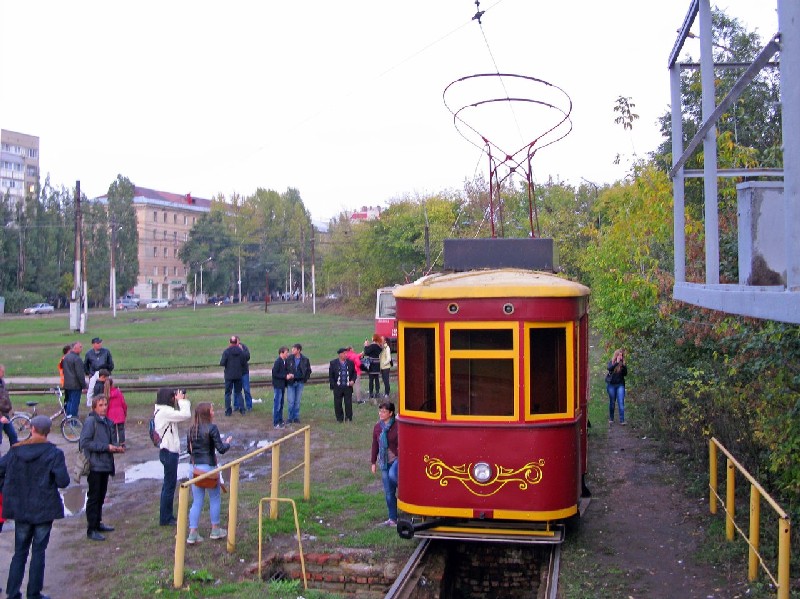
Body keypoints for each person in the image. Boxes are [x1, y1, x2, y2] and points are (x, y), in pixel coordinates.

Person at [0, 415, 69, 599]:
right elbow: (63, 481)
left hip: (21, 507)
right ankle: (33, 593)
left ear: (32, 429)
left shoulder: (16, 451)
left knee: (20, 552)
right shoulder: (53, 453)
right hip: (43, 508)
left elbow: (0, 469)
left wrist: (7, 489)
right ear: (48, 431)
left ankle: (12, 593)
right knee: (38, 552)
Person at [186, 402, 231, 544]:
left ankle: (193, 533)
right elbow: (221, 449)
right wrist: (227, 443)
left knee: (197, 501)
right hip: (209, 468)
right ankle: (215, 530)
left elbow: (189, 450)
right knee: (215, 498)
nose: (214, 412)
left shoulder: (191, 430)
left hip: (194, 468)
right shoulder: (212, 428)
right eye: (212, 410)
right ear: (207, 413)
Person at [80, 396, 124, 541]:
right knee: (94, 497)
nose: (104, 407)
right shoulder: (90, 421)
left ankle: (98, 523)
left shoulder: (108, 422)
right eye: (100, 405)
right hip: (94, 465)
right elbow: (85, 443)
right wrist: (106, 447)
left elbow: (111, 441)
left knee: (101, 496)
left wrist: (117, 447)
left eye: (105, 404)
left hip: (105, 464)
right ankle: (91, 529)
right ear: (94, 407)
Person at [154, 388, 191, 526]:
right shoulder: (165, 412)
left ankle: (166, 516)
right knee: (169, 486)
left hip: (167, 451)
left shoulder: (162, 410)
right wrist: (181, 401)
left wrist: (179, 400)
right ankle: (166, 518)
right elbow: (186, 414)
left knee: (168, 485)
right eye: (173, 397)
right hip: (169, 452)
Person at [370, 401, 399, 526]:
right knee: (388, 492)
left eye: (384, 411)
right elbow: (375, 445)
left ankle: (405, 492)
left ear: (391, 413)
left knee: (393, 475)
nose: (381, 414)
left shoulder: (397, 425)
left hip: (397, 459)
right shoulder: (377, 427)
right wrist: (373, 462)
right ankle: (392, 519)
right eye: (380, 411)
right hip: (384, 462)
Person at [220, 335, 248, 416]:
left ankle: (228, 411)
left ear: (230, 342)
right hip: (238, 375)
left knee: (228, 393)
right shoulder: (241, 351)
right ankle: (242, 410)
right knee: (239, 392)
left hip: (229, 375)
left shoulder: (226, 351)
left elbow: (222, 363)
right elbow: (244, 362)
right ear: (236, 342)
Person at [286, 343, 311, 424]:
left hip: (300, 383)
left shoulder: (305, 360)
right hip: (291, 383)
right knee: (291, 401)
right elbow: (285, 369)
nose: (292, 350)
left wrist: (304, 379)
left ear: (299, 350)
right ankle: (290, 417)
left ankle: (296, 417)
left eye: (294, 349)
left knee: (297, 401)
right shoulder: (289, 359)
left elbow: (308, 371)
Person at [329, 347, 356, 423]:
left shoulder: (350, 363)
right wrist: (334, 385)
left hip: (347, 387)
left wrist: (353, 380)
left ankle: (349, 418)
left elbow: (354, 373)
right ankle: (339, 418)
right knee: (338, 403)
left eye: (346, 353)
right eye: (344, 353)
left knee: (348, 403)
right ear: (340, 354)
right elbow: (331, 376)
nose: (346, 355)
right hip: (338, 387)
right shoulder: (333, 363)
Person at [271, 347, 295, 429]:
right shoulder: (278, 362)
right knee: (277, 404)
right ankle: (276, 422)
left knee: (281, 404)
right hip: (278, 386)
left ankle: (280, 420)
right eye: (286, 353)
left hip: (282, 386)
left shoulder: (284, 361)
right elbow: (275, 373)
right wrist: (285, 376)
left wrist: (289, 374)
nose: (288, 354)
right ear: (281, 353)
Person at [62, 341, 87, 418]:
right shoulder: (77, 359)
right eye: (80, 347)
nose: (81, 348)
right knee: (74, 403)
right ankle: (73, 419)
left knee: (69, 401)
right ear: (75, 348)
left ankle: (68, 418)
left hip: (67, 384)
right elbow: (80, 374)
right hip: (75, 385)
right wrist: (84, 386)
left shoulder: (66, 358)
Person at [606, 349, 628, 425]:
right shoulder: (611, 362)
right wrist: (616, 363)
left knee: (621, 402)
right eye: (619, 355)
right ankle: (611, 418)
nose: (620, 357)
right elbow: (609, 368)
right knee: (612, 402)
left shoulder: (623, 364)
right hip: (611, 385)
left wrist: (623, 366)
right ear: (616, 355)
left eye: (621, 355)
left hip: (620, 385)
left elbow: (625, 374)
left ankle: (622, 420)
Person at [0, 364, 18, 448]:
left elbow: (5, 397)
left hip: (5, 414)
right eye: (2, 371)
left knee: (13, 435)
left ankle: (15, 454)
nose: (3, 373)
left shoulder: (2, 382)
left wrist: (10, 408)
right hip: (1, 416)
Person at [106, 377, 128, 447]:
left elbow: (106, 407)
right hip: (120, 413)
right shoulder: (118, 392)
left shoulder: (106, 395)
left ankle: (114, 443)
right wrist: (125, 412)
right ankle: (122, 443)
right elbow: (123, 403)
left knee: (112, 430)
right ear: (112, 384)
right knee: (121, 429)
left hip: (110, 415)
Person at [363, 334, 383, 402]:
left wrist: (366, 345)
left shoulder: (372, 346)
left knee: (371, 380)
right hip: (377, 364)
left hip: (372, 364)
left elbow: (366, 352)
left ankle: (371, 393)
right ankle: (377, 392)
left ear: (374, 338)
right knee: (377, 379)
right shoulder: (379, 346)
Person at [238, 337, 253, 412]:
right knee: (237, 390)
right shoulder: (231, 348)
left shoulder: (244, 347)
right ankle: (237, 406)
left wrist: (242, 350)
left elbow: (247, 357)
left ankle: (249, 406)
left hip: (244, 372)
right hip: (236, 373)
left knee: (246, 389)